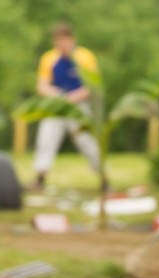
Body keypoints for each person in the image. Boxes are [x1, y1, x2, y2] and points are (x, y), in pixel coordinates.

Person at [32, 22, 102, 190]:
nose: (61, 44)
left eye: (64, 40)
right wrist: (58, 96)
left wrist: (74, 97)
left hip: (78, 106)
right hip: (56, 106)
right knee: (46, 140)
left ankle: (103, 178)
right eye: (58, 41)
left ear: (72, 39)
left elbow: (93, 85)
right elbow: (42, 85)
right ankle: (40, 178)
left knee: (87, 141)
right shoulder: (49, 58)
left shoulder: (85, 57)